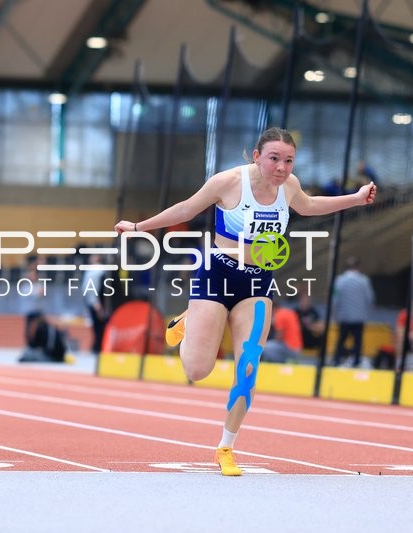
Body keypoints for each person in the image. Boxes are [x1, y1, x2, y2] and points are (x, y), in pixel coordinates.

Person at [114, 127, 376, 475]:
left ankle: (226, 446)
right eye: (274, 159)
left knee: (249, 364)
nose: (281, 167)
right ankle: (188, 322)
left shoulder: (290, 186)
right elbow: (186, 208)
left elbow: (310, 206)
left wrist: (355, 198)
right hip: (217, 274)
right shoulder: (228, 182)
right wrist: (138, 227)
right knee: (197, 370)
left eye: (288, 160)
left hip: (257, 282)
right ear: (256, 156)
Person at [331, 256, 375, 367]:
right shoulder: (364, 281)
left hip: (344, 315)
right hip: (359, 316)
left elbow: (335, 298)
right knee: (357, 340)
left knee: (341, 339)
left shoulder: (339, 280)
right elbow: (370, 298)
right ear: (358, 267)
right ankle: (356, 361)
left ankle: (337, 360)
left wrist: (335, 313)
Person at [82, 254, 107, 355]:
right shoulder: (97, 270)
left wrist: (96, 303)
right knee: (98, 326)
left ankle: (98, 347)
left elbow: (90, 288)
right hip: (96, 301)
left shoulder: (96, 271)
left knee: (99, 327)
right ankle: (97, 347)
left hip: (97, 302)